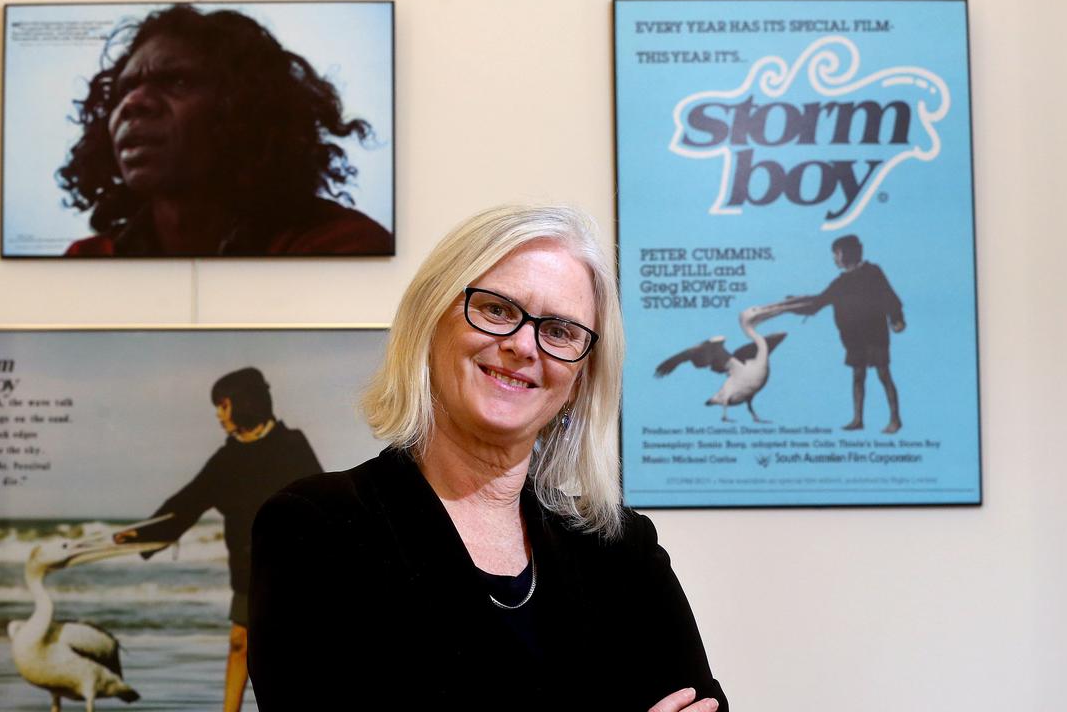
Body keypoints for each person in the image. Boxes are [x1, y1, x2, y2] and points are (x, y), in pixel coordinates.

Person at [248, 205, 727, 711]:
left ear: (580, 379)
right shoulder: (317, 529)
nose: (524, 346)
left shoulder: (621, 549)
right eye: (498, 309)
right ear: (430, 324)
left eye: (560, 331)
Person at [58, 4, 391, 257]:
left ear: (245, 105)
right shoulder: (89, 257)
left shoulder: (339, 245)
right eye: (124, 89)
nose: (133, 103)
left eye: (176, 81)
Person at [117, 367, 322, 712]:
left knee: (294, 649)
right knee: (241, 642)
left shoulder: (291, 444)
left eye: (223, 405)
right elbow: (187, 502)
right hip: (248, 569)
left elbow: (322, 500)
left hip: (295, 569)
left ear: (244, 402)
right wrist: (145, 533)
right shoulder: (227, 458)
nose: (218, 415)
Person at [792, 234, 906, 433]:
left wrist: (896, 318)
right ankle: (857, 419)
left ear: (847, 253)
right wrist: (793, 304)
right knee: (858, 376)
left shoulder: (873, 272)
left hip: (875, 335)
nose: (834, 258)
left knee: (883, 374)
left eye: (836, 253)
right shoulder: (839, 283)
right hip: (854, 340)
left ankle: (895, 419)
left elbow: (889, 295)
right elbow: (817, 302)